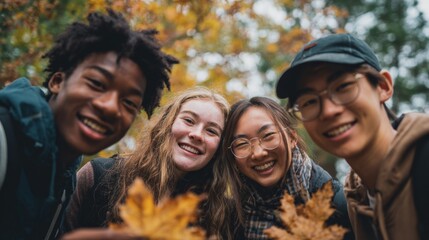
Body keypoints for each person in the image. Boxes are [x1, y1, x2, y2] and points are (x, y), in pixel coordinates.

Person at [0, 9, 178, 239]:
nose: (110, 107)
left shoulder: (64, 173)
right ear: (57, 81)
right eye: (96, 83)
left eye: (129, 102)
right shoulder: (5, 138)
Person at [275, 33, 429, 240]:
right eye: (309, 101)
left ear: (383, 86)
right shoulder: (356, 200)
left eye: (343, 87)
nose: (329, 111)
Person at [63, 87, 233, 239]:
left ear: (220, 148)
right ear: (166, 124)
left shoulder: (221, 214)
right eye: (189, 120)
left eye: (211, 131)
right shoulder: (99, 176)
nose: (197, 134)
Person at [220, 96, 352, 239]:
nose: (258, 153)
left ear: (292, 138)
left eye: (268, 135)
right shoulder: (229, 218)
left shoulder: (339, 205)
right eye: (241, 144)